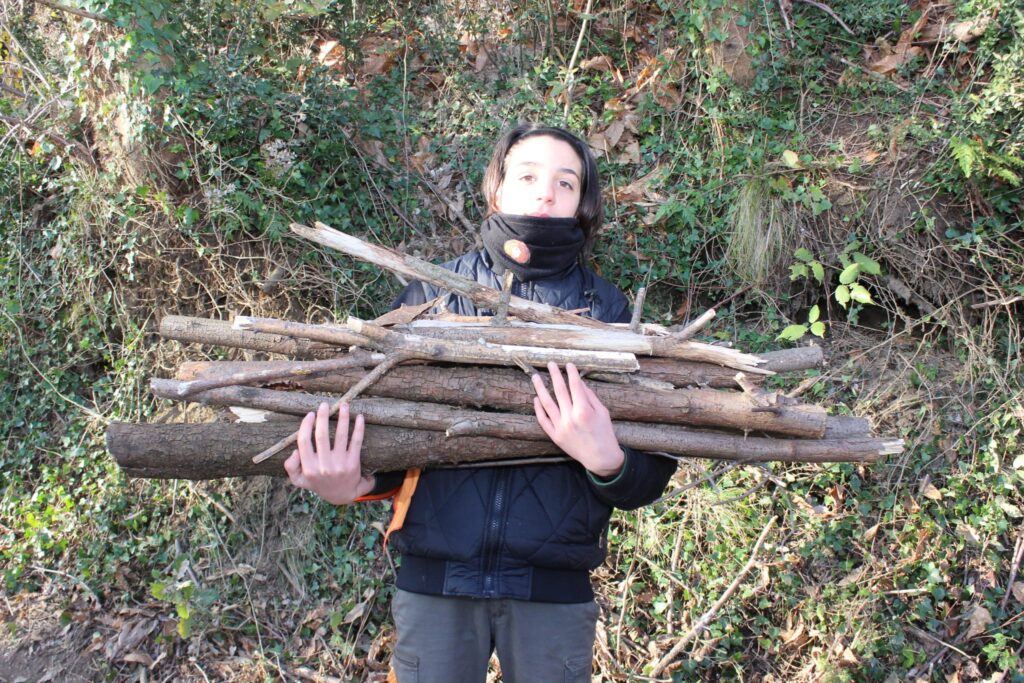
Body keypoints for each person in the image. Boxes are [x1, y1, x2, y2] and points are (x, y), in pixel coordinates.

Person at [283, 124, 678, 682]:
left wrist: (607, 459)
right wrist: (353, 485)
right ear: (496, 191)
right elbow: (387, 441)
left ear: (581, 206)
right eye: (528, 176)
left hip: (554, 594)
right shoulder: (432, 297)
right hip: (434, 587)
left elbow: (653, 473)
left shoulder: (608, 313)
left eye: (565, 183)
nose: (546, 192)